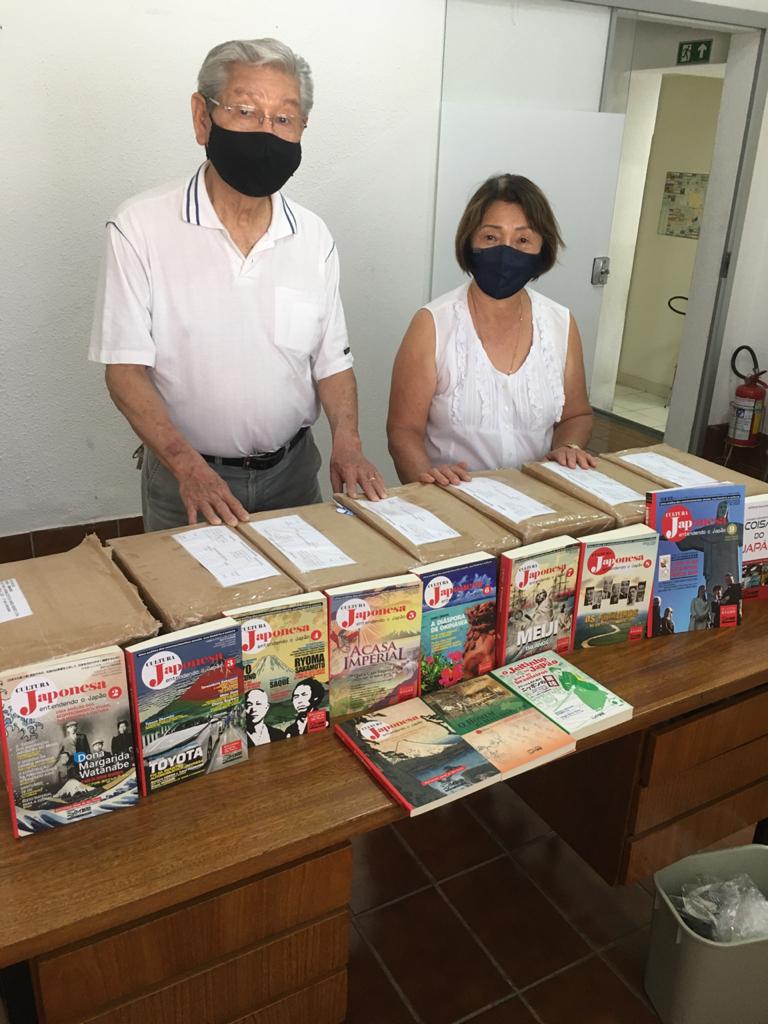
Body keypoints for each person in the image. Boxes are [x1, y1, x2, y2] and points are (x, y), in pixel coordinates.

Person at [90, 38, 385, 532]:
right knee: (189, 586)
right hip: (188, 478)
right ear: (202, 117)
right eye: (245, 111)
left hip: (293, 473)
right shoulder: (139, 227)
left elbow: (332, 361)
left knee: (302, 584)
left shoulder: (313, 237)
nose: (267, 132)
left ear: (303, 129)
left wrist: (348, 445)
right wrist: (189, 469)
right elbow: (124, 371)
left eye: (284, 118)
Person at [387, 174, 595, 484]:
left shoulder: (560, 323)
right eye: (490, 237)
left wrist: (569, 447)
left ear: (542, 249)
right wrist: (428, 480)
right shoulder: (432, 324)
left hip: (539, 497)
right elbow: (403, 431)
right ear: (469, 242)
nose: (505, 252)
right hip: (456, 498)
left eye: (522, 240)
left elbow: (576, 415)